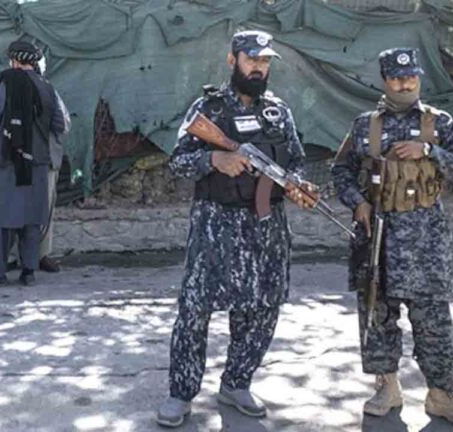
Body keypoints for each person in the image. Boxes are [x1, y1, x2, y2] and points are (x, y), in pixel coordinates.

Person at [156, 30, 314, 427]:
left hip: (266, 227)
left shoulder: (278, 111)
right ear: (233, 61)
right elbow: (177, 162)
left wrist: (297, 183)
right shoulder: (208, 109)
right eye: (251, 59)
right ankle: (181, 393)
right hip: (215, 226)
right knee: (195, 311)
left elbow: (296, 160)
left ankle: (237, 382)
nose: (259, 67)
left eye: (265, 61)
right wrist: (214, 159)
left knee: (261, 308)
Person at [331, 47, 453, 427]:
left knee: (433, 322)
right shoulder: (364, 126)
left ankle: (442, 396)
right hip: (377, 236)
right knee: (377, 316)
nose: (405, 84)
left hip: (426, 240)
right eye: (397, 79)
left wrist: (429, 151)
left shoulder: (439, 123)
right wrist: (357, 203)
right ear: (385, 80)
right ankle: (387, 388)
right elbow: (340, 171)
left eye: (411, 77)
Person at [0, 41, 69, 286]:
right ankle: (28, 272)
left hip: (10, 159)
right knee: (31, 217)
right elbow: (59, 124)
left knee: (3, 217)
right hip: (38, 161)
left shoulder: (8, 83)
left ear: (15, 61)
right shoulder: (47, 87)